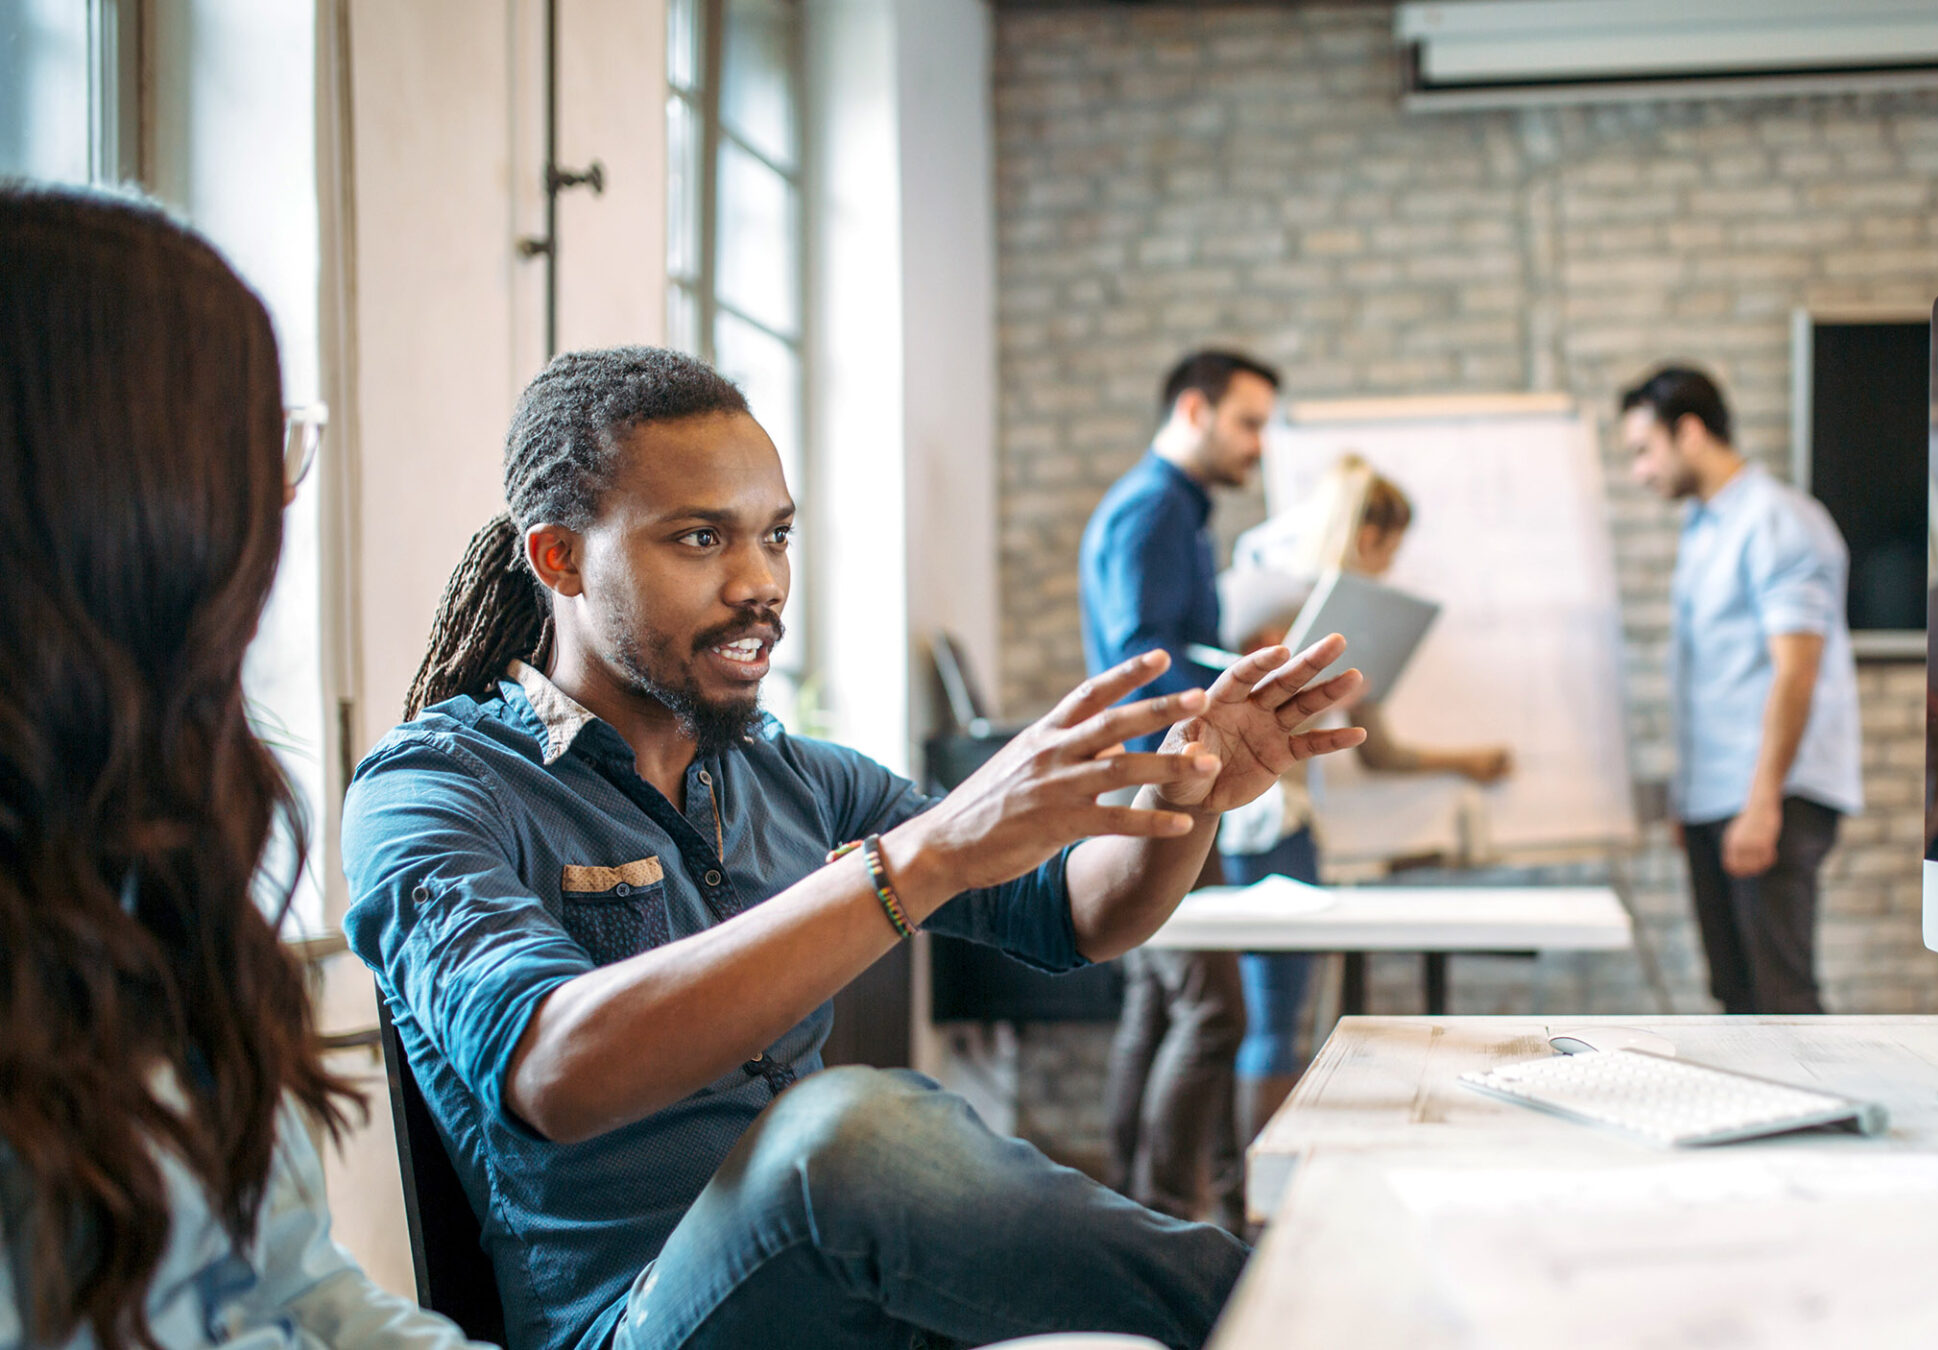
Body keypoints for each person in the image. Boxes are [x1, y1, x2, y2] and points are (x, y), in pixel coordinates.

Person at [339, 344, 1366, 1350]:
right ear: (560, 556)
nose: (760, 584)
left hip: (854, 1301)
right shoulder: (435, 791)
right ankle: (1334, 1318)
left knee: (860, 1146)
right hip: (636, 1322)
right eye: (701, 540)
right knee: (844, 1143)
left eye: (775, 537)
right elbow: (556, 1069)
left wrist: (1193, 796)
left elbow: (1072, 915)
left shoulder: (795, 774)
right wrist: (919, 861)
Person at [0, 184, 485, 1348]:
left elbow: (296, 1291)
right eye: (248, 447)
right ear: (119, 498)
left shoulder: (158, 847)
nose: (280, 495)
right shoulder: (436, 785)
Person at [1215, 454, 1513, 1133]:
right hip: (1262, 827)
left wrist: (1468, 761)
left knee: (1280, 1022)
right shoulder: (1265, 599)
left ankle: (1259, 1188)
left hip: (1290, 826)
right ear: (1367, 535)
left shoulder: (1340, 620)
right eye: (1390, 547)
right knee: (1274, 1022)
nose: (1390, 565)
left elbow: (1377, 752)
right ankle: (1260, 1199)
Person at [1078, 349, 1279, 1229]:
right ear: (1194, 410)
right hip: (1161, 786)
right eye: (1248, 422)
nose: (1259, 445)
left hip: (1155, 782)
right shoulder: (1156, 508)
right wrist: (1254, 669)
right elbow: (1143, 659)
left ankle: (1133, 1212)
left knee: (1161, 1007)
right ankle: (1166, 1222)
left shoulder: (1174, 512)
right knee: (1214, 1013)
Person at [1620, 366, 1862, 1015]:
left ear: (1690, 432)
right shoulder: (1704, 530)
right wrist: (1688, 797)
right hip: (1716, 794)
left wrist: (1762, 804)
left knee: (1779, 995)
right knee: (1737, 997)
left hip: (1771, 793)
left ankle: (1818, 1120)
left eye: (1644, 450)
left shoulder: (1777, 520)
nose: (1639, 471)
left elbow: (1796, 670)